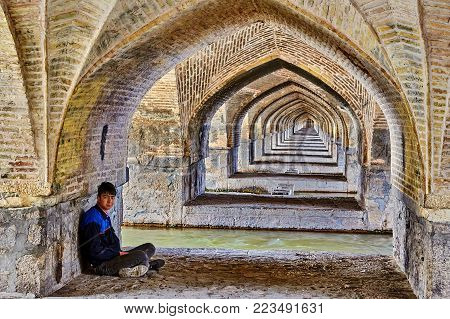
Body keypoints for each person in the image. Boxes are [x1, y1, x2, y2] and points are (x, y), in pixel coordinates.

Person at [80, 182, 165, 277]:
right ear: (98, 198)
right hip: (104, 264)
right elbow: (95, 252)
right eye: (105, 197)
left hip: (115, 257)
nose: (109, 201)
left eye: (112, 197)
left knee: (149, 247)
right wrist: (118, 253)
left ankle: (141, 266)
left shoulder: (104, 215)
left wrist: (120, 253)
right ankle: (146, 266)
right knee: (140, 255)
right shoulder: (93, 218)